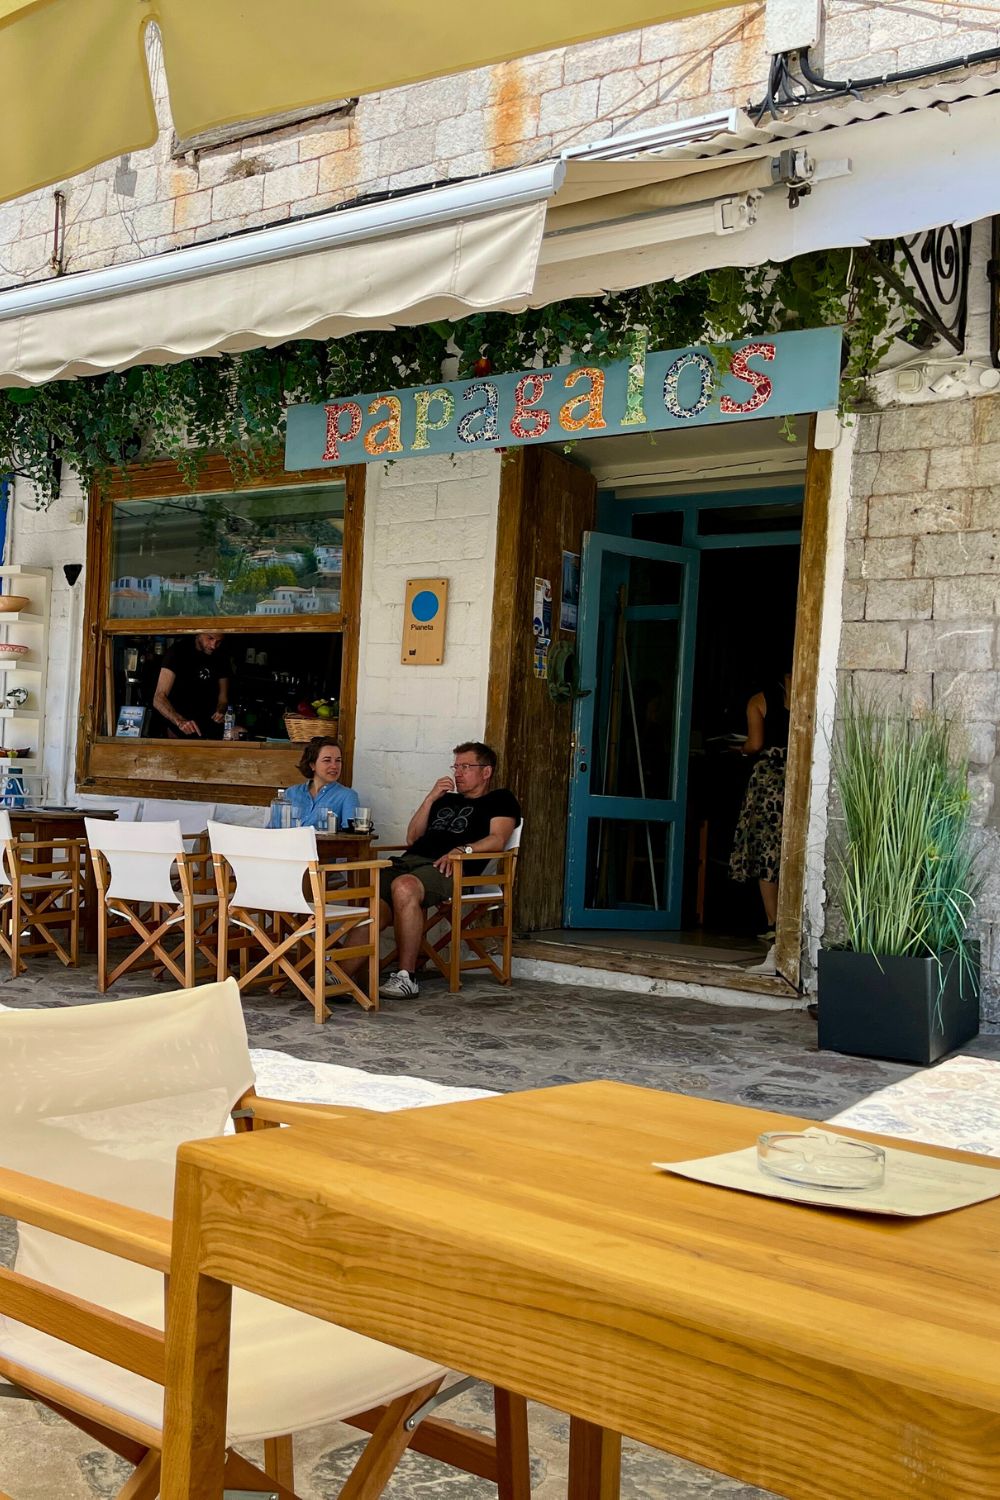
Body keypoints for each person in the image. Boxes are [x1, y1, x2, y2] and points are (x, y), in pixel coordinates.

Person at [377, 742, 521, 999]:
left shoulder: (500, 799)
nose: (458, 773)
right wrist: (430, 798)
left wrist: (462, 851)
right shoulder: (445, 800)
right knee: (370, 890)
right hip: (412, 861)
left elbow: (498, 839)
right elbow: (412, 837)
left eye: (466, 767)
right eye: (456, 766)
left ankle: (406, 977)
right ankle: (341, 974)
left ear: (486, 772)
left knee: (404, 886)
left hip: (451, 868)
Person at [729, 669, 792, 970]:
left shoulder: (759, 700)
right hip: (797, 775)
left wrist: (740, 752)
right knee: (790, 846)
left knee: (766, 847)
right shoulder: (807, 694)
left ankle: (774, 922)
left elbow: (755, 744)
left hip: (769, 780)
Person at [152, 632, 233, 739]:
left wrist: (221, 711)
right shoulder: (178, 651)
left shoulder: (221, 656)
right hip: (177, 730)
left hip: (209, 733)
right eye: (210, 638)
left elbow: (223, 699)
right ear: (199, 633)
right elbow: (158, 698)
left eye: (219, 641)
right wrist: (180, 722)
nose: (213, 645)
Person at [271, 736, 360, 830]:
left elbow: (351, 837)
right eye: (327, 760)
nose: (334, 766)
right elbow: (272, 830)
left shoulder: (347, 796)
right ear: (312, 765)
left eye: (338, 760)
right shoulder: (291, 793)